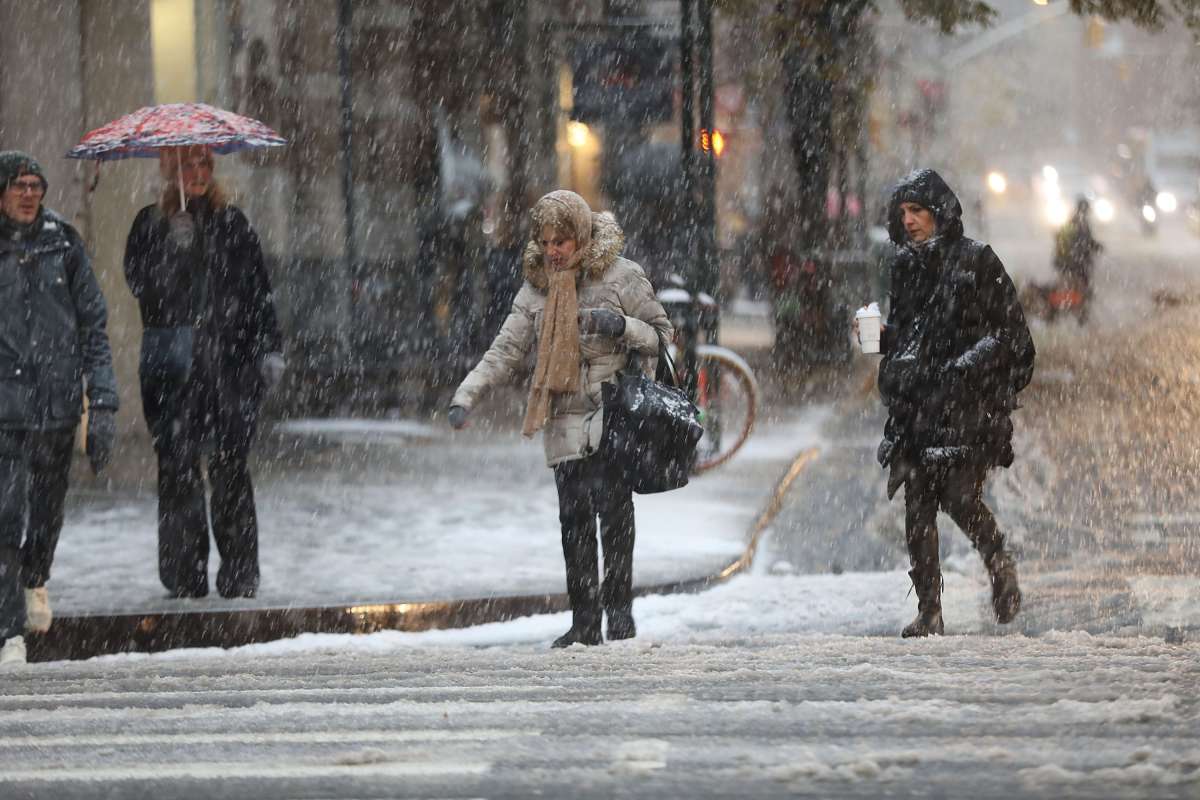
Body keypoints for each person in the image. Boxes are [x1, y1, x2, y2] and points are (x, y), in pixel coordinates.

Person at [447, 190, 671, 648]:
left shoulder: (621, 276)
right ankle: (585, 622)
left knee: (615, 518)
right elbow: (505, 350)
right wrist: (466, 397)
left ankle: (620, 615)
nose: (553, 250)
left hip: (612, 417)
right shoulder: (537, 288)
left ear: (581, 237)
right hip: (562, 416)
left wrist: (620, 326)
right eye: (546, 241)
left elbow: (664, 336)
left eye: (562, 241)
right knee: (574, 525)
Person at [870, 168, 1035, 638]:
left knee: (960, 498)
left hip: (967, 408)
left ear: (940, 213)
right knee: (917, 504)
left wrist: (965, 368)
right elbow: (907, 337)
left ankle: (999, 561)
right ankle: (929, 611)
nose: (909, 221)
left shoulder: (978, 262)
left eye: (917, 211)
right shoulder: (904, 268)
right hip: (918, 406)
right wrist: (882, 340)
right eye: (903, 212)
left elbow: (1012, 337)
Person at [123, 146, 284, 600]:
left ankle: (239, 573)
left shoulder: (233, 224)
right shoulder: (149, 224)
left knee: (231, 469)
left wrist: (269, 350)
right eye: (187, 166)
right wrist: (171, 248)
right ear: (170, 172)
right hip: (172, 372)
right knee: (178, 472)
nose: (197, 174)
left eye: (204, 165)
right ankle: (184, 574)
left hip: (228, 370)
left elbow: (259, 294)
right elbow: (141, 287)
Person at [0, 151, 119, 666]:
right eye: (20, 185)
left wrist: (105, 402)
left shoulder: (63, 243)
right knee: (6, 515)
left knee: (46, 513)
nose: (30, 194)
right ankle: (8, 631)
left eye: (37, 185)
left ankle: (35, 578)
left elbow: (94, 325)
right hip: (5, 408)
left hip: (58, 407)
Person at [1052, 196, 1103, 316]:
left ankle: (1066, 306)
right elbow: (1085, 243)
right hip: (1078, 263)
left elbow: (1059, 238)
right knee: (1081, 286)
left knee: (1067, 284)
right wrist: (1096, 247)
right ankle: (1080, 310)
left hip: (1064, 262)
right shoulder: (1081, 224)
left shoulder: (1070, 221)